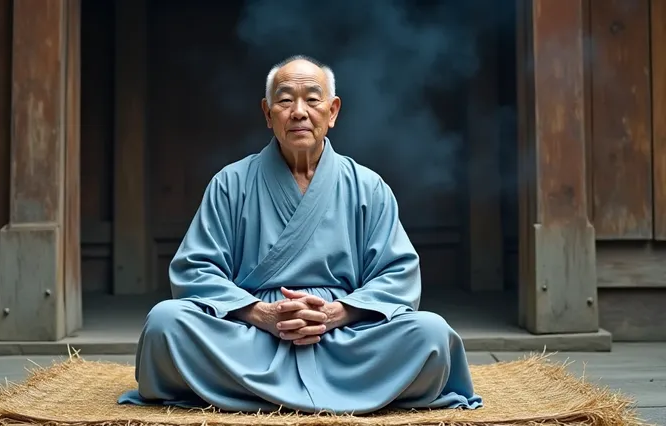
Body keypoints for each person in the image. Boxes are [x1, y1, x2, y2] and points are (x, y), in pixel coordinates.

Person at [117, 55, 483, 415]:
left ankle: (241, 393)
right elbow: (195, 270)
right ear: (267, 113)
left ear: (333, 111)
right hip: (251, 337)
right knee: (165, 323)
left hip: (343, 339)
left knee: (432, 334)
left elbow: (398, 274)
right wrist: (263, 315)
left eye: (312, 98)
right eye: (286, 99)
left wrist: (336, 313)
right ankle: (356, 393)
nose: (299, 111)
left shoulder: (368, 187)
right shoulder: (230, 184)